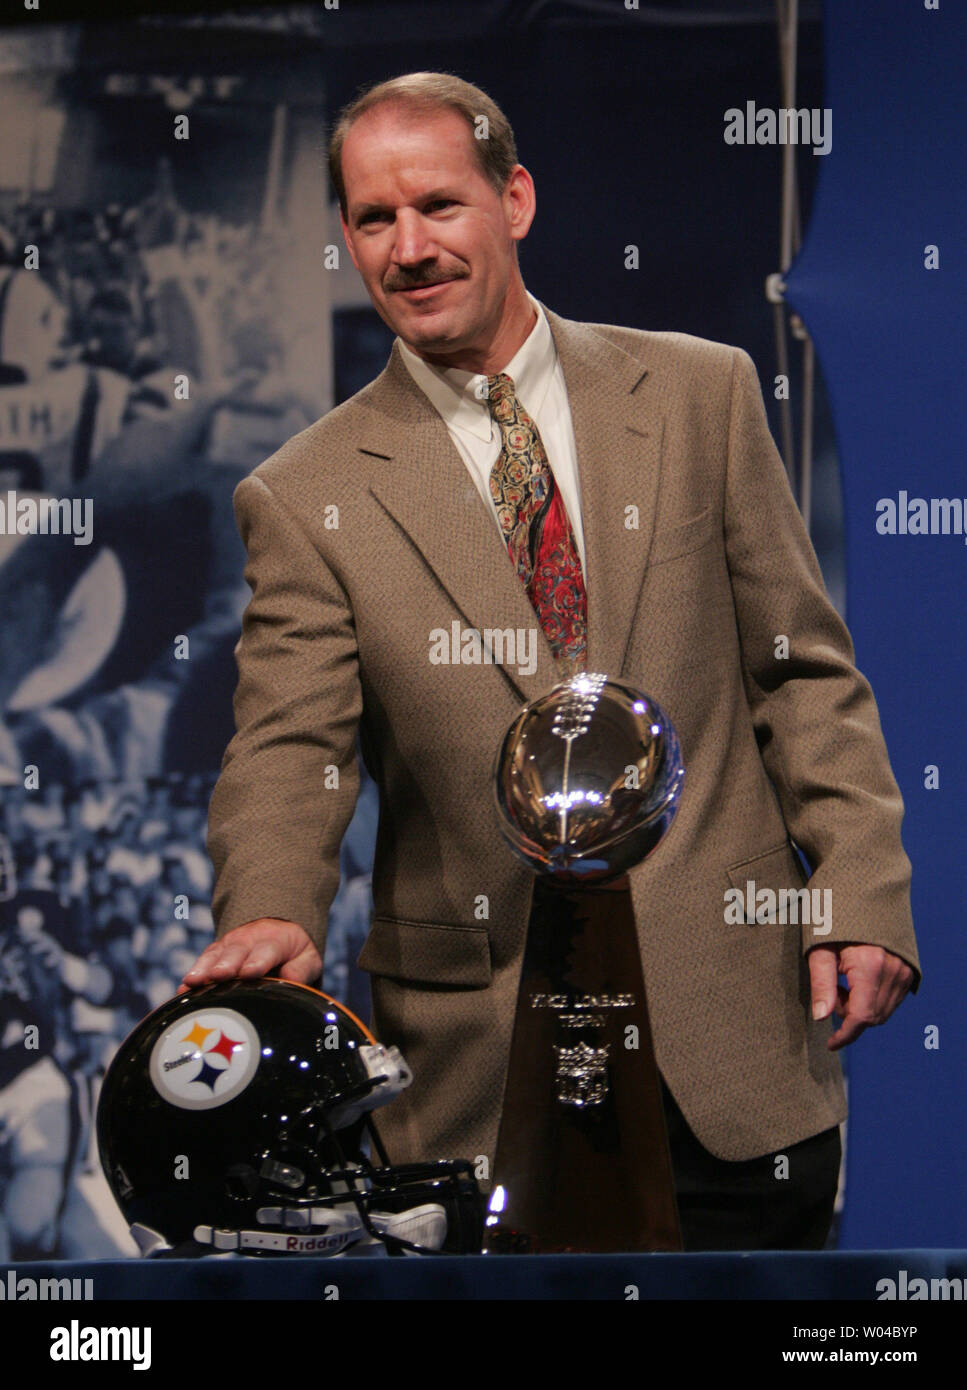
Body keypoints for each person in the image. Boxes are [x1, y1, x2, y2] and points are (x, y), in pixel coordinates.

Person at [184, 73, 920, 1249]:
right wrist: (269, 907)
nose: (409, 247)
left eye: (438, 205)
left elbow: (802, 675)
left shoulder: (701, 394)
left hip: (730, 1046)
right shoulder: (303, 494)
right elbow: (289, 749)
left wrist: (859, 893)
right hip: (477, 1077)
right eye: (374, 220)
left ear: (514, 199)